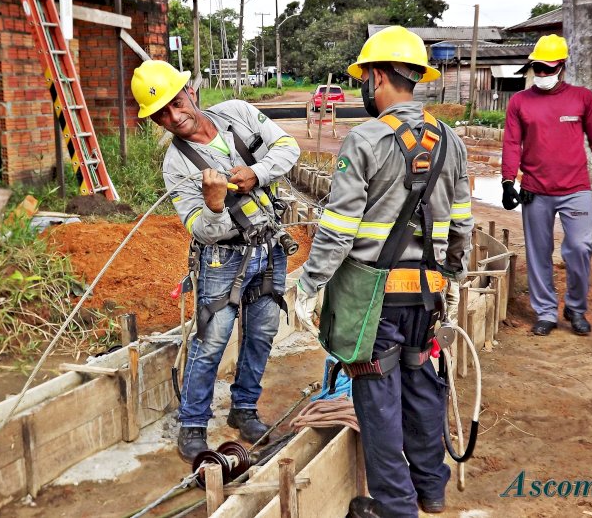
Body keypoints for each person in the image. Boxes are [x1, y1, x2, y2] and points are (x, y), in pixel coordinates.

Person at [294, 26, 473, 516]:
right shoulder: (451, 142)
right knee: (420, 384)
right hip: (426, 296)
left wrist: (309, 285)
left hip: (374, 302)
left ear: (375, 77)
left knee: (378, 402)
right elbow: (462, 222)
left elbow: (339, 228)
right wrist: (453, 277)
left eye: (363, 79)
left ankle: (396, 507)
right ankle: (431, 490)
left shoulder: (366, 137)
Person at [130, 60, 300, 462]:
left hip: (268, 245)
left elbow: (288, 147)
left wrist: (256, 174)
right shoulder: (177, 164)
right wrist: (214, 207)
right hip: (222, 259)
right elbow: (201, 230)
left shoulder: (238, 115)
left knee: (261, 334)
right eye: (162, 115)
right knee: (211, 343)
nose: (174, 117)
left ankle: (244, 409)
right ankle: (192, 424)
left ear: (190, 92)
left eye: (176, 103)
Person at [501, 34, 592, 337]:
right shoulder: (519, 102)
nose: (541, 74)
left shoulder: (582, 99)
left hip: (575, 190)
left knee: (580, 248)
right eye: (537, 68)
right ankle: (545, 312)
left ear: (562, 67)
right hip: (535, 191)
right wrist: (507, 181)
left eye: (547, 68)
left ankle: (575, 308)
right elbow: (512, 144)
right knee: (539, 253)